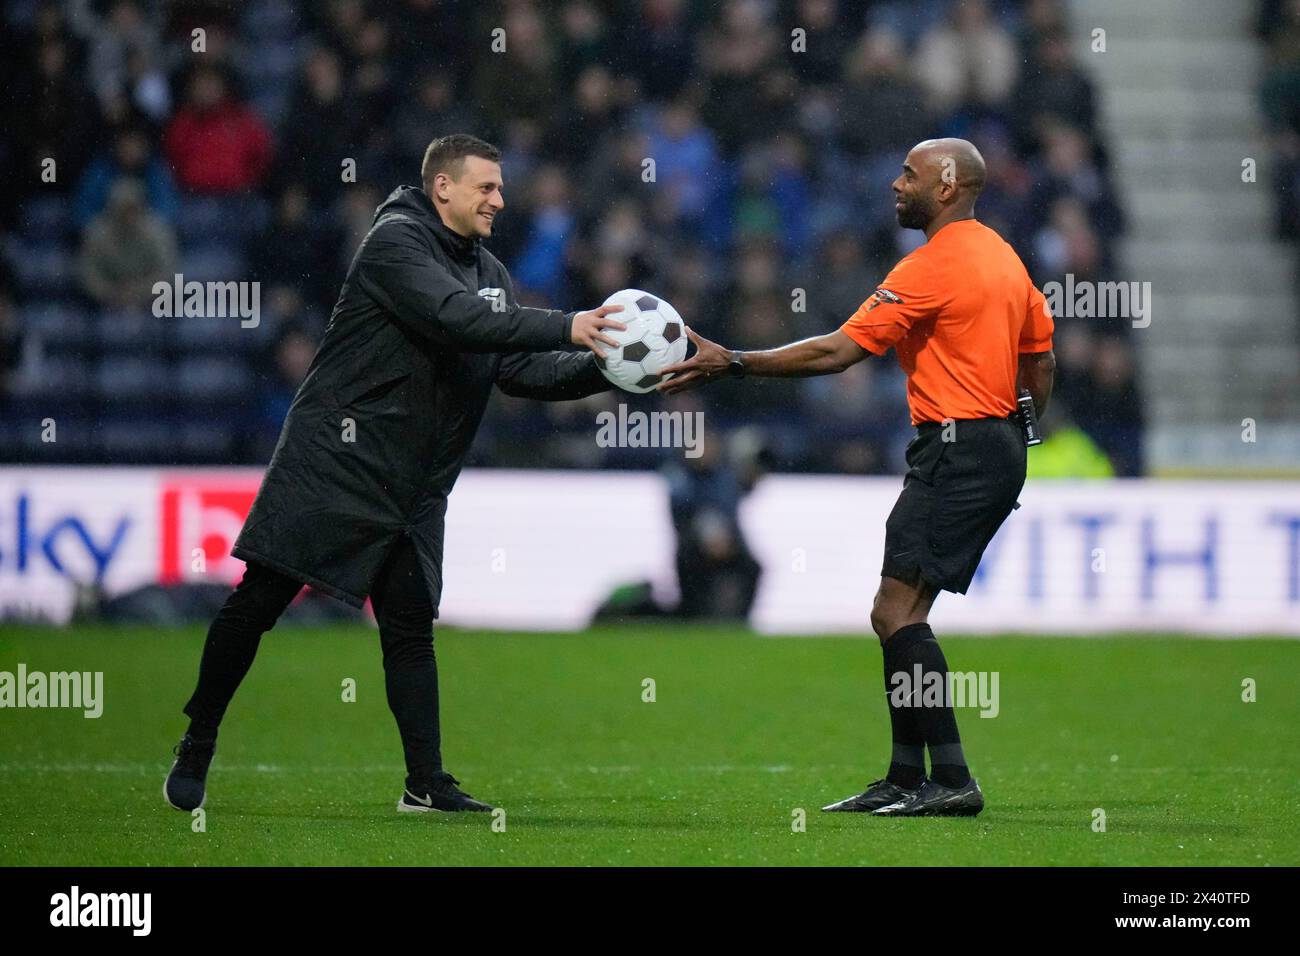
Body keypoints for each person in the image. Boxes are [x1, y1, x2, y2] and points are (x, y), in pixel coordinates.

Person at [164, 134, 626, 814]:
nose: (500, 200)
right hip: (336, 464)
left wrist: (616, 366)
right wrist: (568, 325)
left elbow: (518, 371)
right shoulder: (395, 243)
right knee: (258, 602)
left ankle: (425, 784)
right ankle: (198, 739)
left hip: (413, 484)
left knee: (409, 628)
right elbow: (453, 318)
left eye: (501, 188)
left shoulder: (490, 273)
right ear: (444, 187)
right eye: (486, 188)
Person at [660, 138, 1056, 817]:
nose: (896, 184)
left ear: (950, 183)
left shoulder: (933, 266)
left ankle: (953, 779)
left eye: (910, 173)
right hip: (987, 446)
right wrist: (1020, 424)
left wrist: (735, 362)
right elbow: (1040, 359)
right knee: (897, 613)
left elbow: (838, 350)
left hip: (955, 447)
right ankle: (906, 778)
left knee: (896, 612)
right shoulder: (1006, 259)